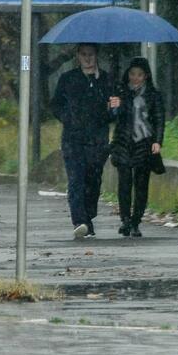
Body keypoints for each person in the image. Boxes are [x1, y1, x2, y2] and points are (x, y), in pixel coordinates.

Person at [50, 43, 119, 240]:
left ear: (96, 55)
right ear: (78, 56)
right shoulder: (68, 79)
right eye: (83, 54)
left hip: (98, 140)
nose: (87, 58)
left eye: (91, 54)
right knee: (76, 180)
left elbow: (113, 113)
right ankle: (80, 221)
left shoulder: (106, 80)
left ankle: (88, 217)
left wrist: (115, 108)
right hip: (73, 139)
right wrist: (68, 118)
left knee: (93, 180)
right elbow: (55, 105)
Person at [110, 56, 165, 238]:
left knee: (141, 185)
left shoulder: (154, 95)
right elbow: (113, 117)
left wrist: (157, 141)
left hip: (144, 143)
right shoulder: (121, 92)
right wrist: (114, 107)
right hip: (124, 142)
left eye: (139, 75)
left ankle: (136, 221)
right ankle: (125, 220)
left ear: (146, 76)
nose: (135, 78)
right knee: (124, 183)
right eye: (132, 74)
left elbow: (159, 119)